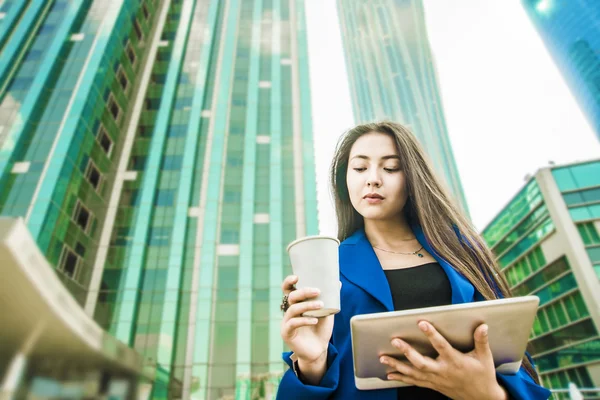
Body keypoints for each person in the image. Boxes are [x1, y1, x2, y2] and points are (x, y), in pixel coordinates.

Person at [276, 121, 551, 400]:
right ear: (345, 182)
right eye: (359, 168)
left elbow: (512, 355)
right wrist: (311, 363)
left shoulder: (459, 250)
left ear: (412, 179)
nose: (373, 178)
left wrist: (491, 394)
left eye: (391, 168)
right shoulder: (329, 266)